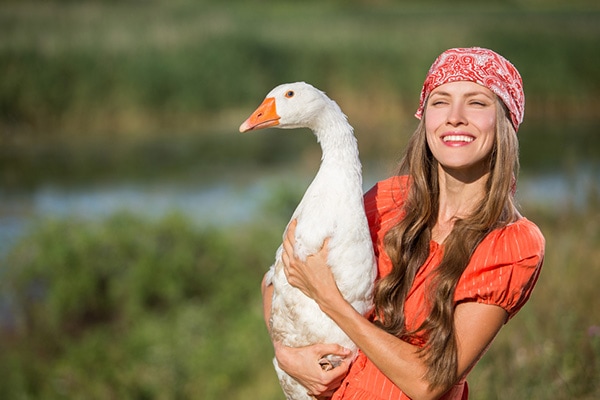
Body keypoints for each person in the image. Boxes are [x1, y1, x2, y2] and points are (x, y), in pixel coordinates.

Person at [262, 47, 545, 400]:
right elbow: (277, 281)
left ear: (505, 121)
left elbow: (429, 383)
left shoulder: (511, 244)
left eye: (476, 103)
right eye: (440, 102)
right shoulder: (386, 200)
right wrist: (288, 355)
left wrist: (331, 299)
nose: (454, 117)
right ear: (424, 117)